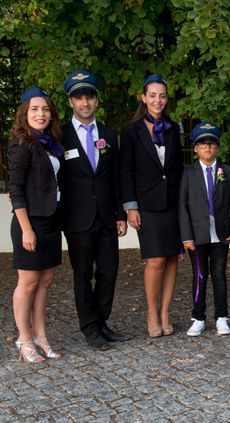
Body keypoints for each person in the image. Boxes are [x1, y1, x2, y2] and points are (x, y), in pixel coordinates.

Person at [59, 69, 129, 350]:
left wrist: (121, 214)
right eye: (78, 98)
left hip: (106, 216)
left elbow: (115, 177)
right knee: (82, 274)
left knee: (109, 271)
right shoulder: (60, 135)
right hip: (76, 219)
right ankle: (89, 327)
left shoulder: (109, 134)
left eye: (89, 96)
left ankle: (101, 321)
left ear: (97, 100)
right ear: (70, 102)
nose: (84, 102)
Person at [119, 74, 183, 338]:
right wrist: (130, 206)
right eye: (153, 95)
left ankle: (166, 312)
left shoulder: (173, 127)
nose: (158, 100)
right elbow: (126, 170)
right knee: (155, 259)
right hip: (146, 204)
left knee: (171, 259)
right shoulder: (130, 130)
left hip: (173, 202)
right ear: (144, 98)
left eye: (163, 95)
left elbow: (177, 168)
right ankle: (151, 312)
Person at [8, 87, 64, 363]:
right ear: (24, 113)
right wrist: (26, 229)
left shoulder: (50, 142)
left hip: (51, 220)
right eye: (34, 109)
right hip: (30, 222)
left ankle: (41, 335)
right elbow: (15, 189)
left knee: (46, 280)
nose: (40, 114)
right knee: (28, 282)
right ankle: (24, 338)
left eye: (44, 109)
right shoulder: (22, 143)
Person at [179, 121, 230, 337]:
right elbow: (183, 206)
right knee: (199, 275)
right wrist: (186, 236)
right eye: (203, 144)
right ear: (195, 148)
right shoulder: (188, 174)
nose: (208, 148)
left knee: (219, 275)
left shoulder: (227, 171)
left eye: (212, 144)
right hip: (197, 235)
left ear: (217, 147)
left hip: (221, 234)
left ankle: (221, 316)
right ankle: (198, 317)